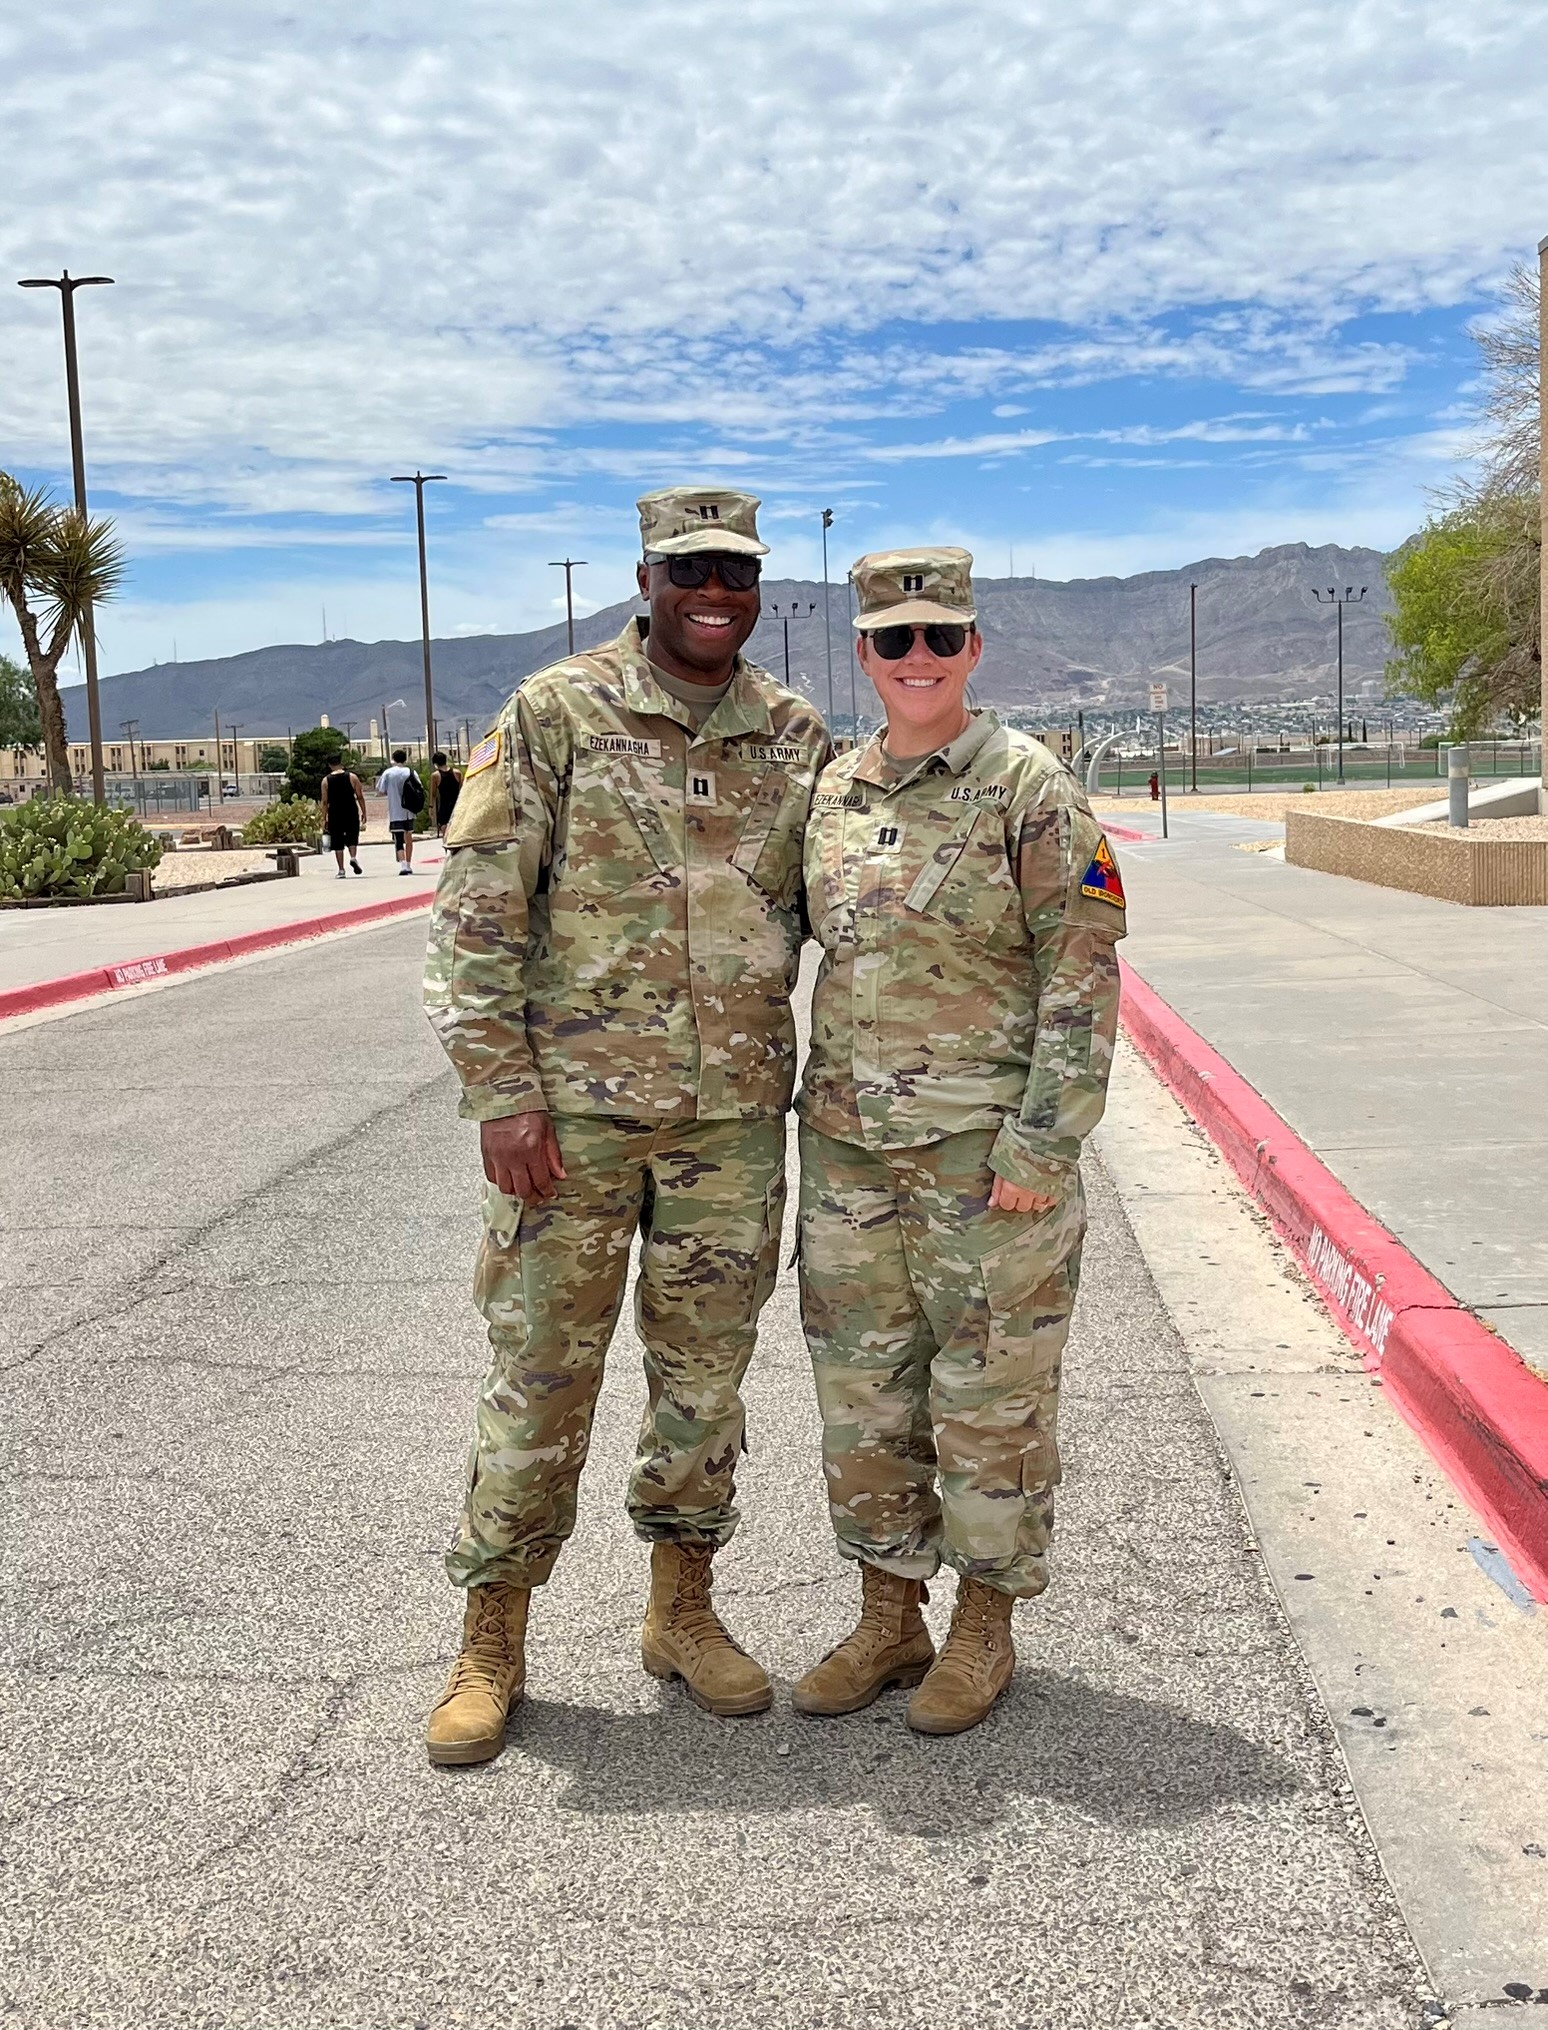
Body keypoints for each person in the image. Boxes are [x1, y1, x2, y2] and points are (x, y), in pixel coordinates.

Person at [421, 486, 831, 1767]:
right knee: (543, 1381)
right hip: (573, 1125)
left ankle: (681, 1609)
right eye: (692, 566)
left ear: (759, 589)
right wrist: (503, 1090)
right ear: (646, 577)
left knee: (704, 1387)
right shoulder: (555, 713)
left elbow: (855, 910)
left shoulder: (796, 734)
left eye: (739, 570)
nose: (718, 589)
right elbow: (478, 910)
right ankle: (493, 1632)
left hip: (730, 1127)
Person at [791, 546, 1126, 1736]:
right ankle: (890, 1614)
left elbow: (1081, 974)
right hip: (847, 1159)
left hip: (985, 1163)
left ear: (974, 648)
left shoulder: (1030, 787)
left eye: (942, 636)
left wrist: (1042, 1145)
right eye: (895, 639)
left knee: (991, 1397)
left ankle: (986, 1621)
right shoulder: (833, 793)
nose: (918, 657)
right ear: (866, 654)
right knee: (863, 1393)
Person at [321, 755, 366, 878]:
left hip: (335, 813)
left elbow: (324, 801)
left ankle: (341, 870)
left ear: (329, 765)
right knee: (352, 836)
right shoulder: (352, 777)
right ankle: (353, 857)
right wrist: (364, 812)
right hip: (350, 810)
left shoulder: (326, 781)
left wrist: (323, 818)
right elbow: (360, 795)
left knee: (337, 841)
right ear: (341, 763)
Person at [376, 748, 419, 872]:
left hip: (395, 811)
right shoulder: (411, 772)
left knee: (398, 839)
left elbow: (380, 790)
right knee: (409, 838)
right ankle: (409, 863)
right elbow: (418, 787)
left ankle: (403, 864)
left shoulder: (388, 773)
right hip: (409, 811)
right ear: (405, 759)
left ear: (393, 759)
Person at [431, 750, 461, 836]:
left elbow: (433, 794)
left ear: (435, 763)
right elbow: (462, 791)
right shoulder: (457, 773)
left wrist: (431, 807)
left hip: (444, 806)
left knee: (445, 829)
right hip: (457, 805)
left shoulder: (435, 776)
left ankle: (447, 846)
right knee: (456, 830)